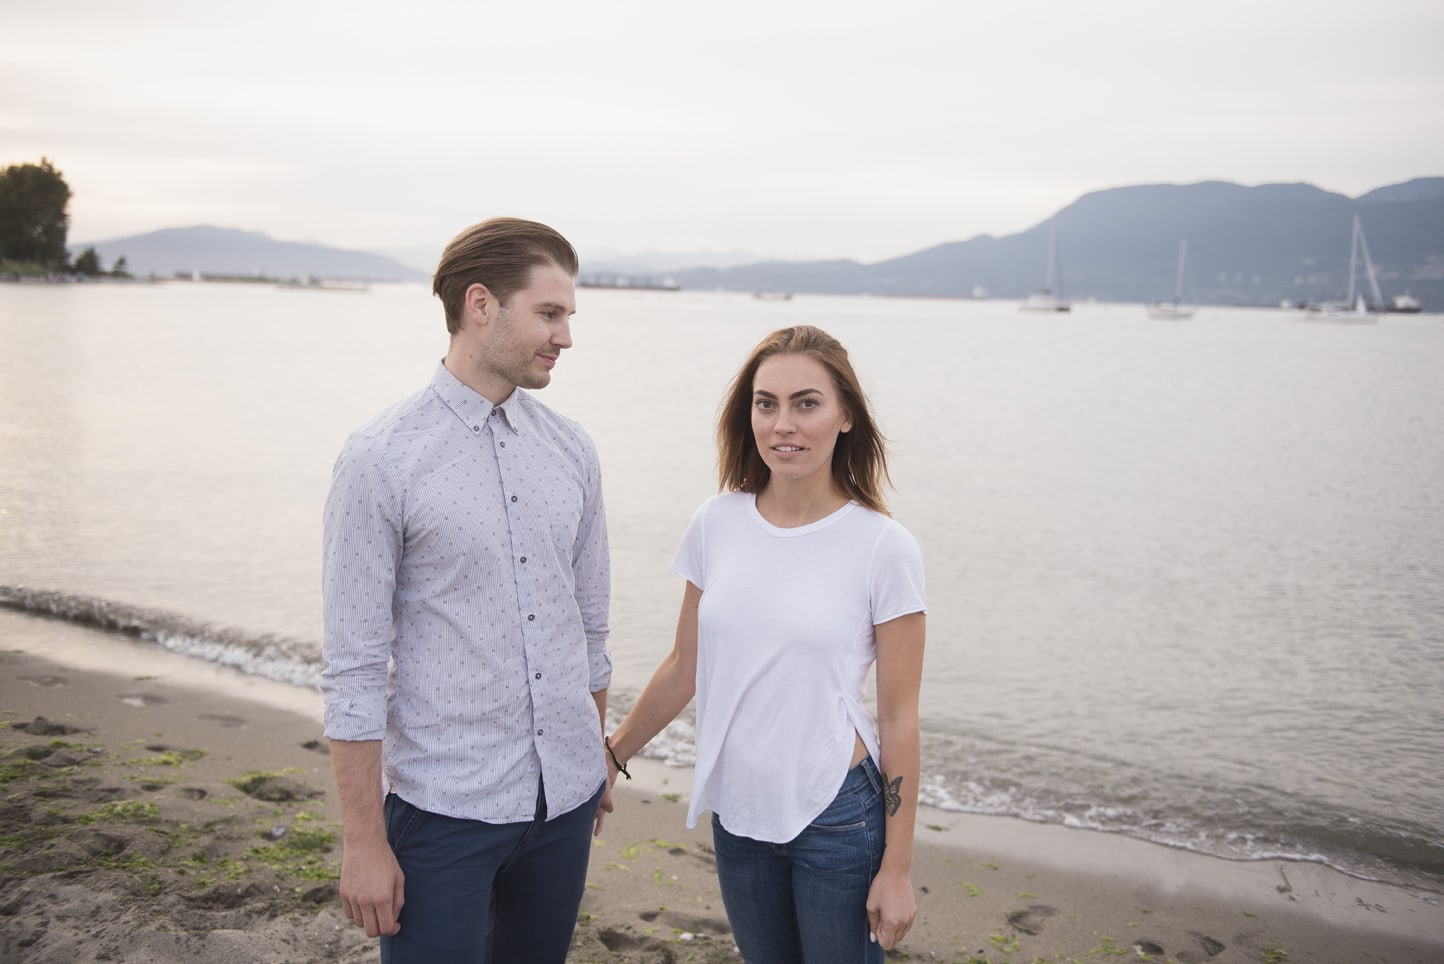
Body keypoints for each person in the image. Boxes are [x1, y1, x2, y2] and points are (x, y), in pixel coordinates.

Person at [320, 217, 614, 963]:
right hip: (445, 810)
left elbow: (590, 630)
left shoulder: (572, 450)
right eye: (550, 313)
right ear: (481, 304)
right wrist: (363, 843)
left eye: (568, 316)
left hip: (564, 803)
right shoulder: (381, 459)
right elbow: (353, 667)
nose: (566, 336)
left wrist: (594, 762)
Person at [604, 325, 927, 962]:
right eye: (766, 403)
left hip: (836, 812)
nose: (784, 423)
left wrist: (897, 867)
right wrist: (611, 757)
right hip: (739, 809)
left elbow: (898, 716)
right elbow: (684, 665)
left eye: (807, 403)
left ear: (845, 418)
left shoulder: (884, 548)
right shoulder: (716, 523)